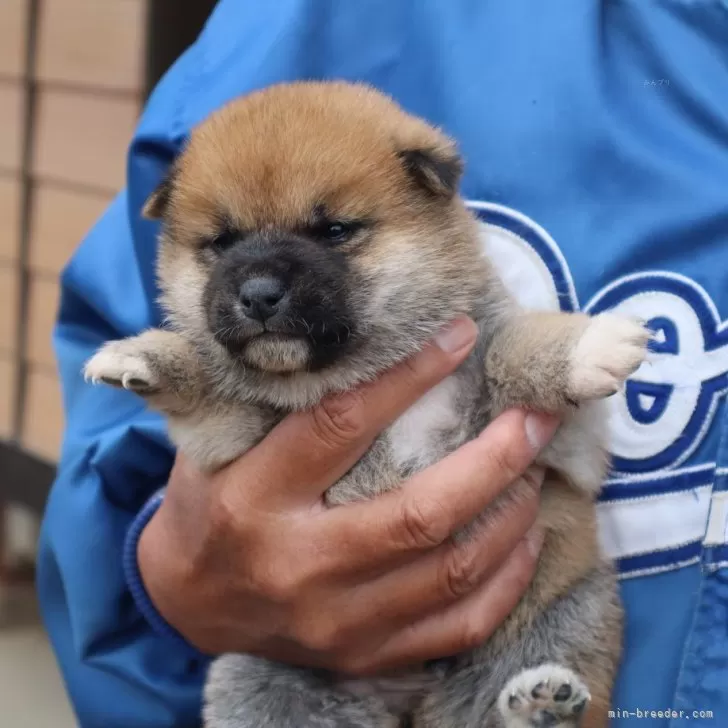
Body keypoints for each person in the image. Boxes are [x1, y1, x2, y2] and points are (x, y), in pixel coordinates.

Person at [38, 1, 728, 726]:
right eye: (219, 244)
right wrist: (171, 569)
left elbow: (518, 350)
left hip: (546, 614)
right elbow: (115, 444)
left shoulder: (469, 314)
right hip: (295, 670)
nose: (262, 283)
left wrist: (564, 355)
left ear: (435, 195)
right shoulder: (286, 30)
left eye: (334, 232)